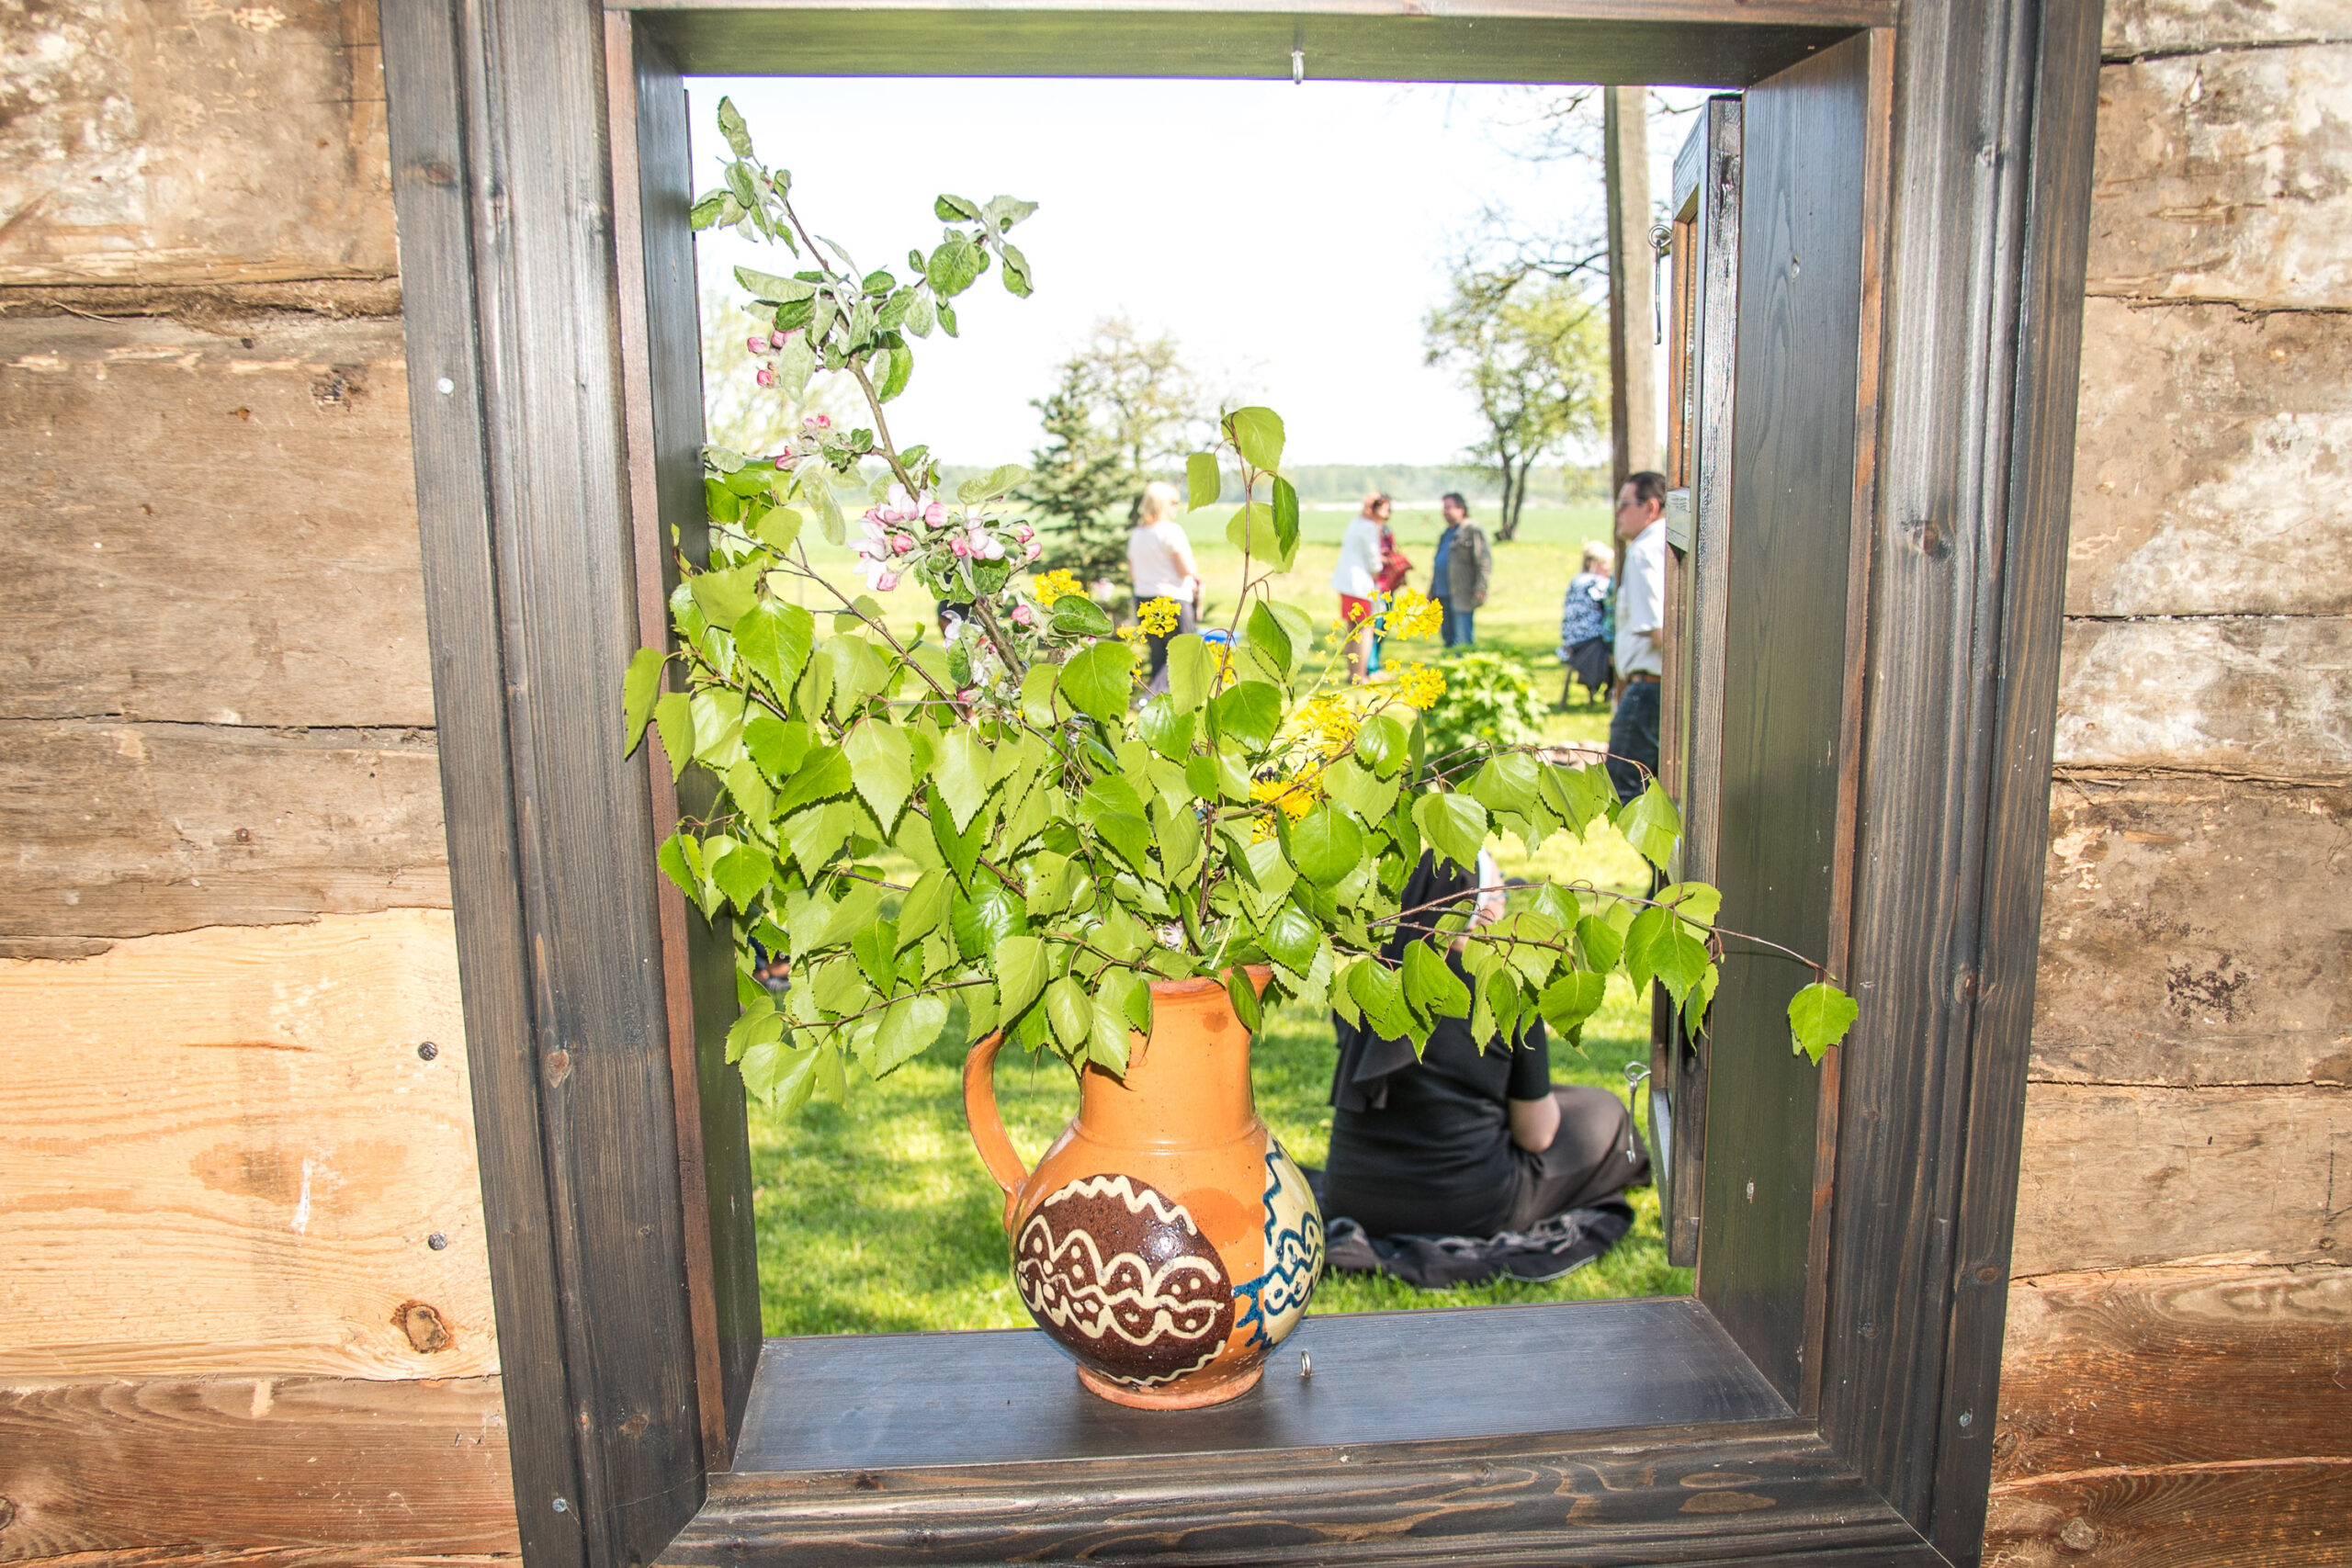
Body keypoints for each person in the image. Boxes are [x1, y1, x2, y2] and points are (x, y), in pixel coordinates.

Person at [1322, 850, 1652, 1240]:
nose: (1504, 905)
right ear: (1477, 909)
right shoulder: (1506, 989)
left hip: (1352, 1196)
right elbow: (1537, 1135)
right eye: (1500, 894)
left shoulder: (1362, 984)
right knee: (1605, 1111)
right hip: (1466, 1205)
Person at [1607, 471, 1668, 804]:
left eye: (1624, 504)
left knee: (1624, 792)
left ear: (1650, 508)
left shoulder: (1644, 550)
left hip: (1649, 690)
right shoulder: (1668, 543)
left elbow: (1659, 630)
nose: (1617, 512)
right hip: (1662, 690)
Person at [1126, 479, 1200, 694]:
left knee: (1158, 655)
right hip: (1173, 600)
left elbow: (1132, 573)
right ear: (1162, 505)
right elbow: (1185, 569)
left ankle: (1157, 699)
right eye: (1173, 502)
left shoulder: (1137, 534)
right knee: (1183, 654)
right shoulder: (1171, 532)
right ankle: (1155, 697)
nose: (1176, 507)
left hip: (1144, 599)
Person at [1330, 493, 1388, 682]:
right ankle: (1360, 674)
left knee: (1352, 628)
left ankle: (1352, 672)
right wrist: (1378, 573)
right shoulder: (1370, 527)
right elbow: (1373, 558)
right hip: (1361, 583)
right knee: (1365, 628)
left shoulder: (1355, 523)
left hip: (1347, 582)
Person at [1429, 492, 1491, 650]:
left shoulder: (1471, 530)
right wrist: (1432, 590)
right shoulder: (1447, 533)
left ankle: (1463, 663)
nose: (1445, 511)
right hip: (1442, 593)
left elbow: (1483, 560)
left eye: (1449, 507)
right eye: (1444, 508)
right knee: (1447, 636)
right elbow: (1438, 563)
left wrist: (1481, 587)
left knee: (1463, 638)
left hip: (1462, 593)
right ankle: (1449, 663)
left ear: (1461, 509)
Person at [1556, 542, 1613, 709]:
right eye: (1605, 564)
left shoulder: (1576, 580)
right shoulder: (1596, 582)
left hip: (1571, 640)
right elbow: (1612, 601)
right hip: (1589, 640)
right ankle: (1613, 690)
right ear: (1591, 563)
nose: (1608, 568)